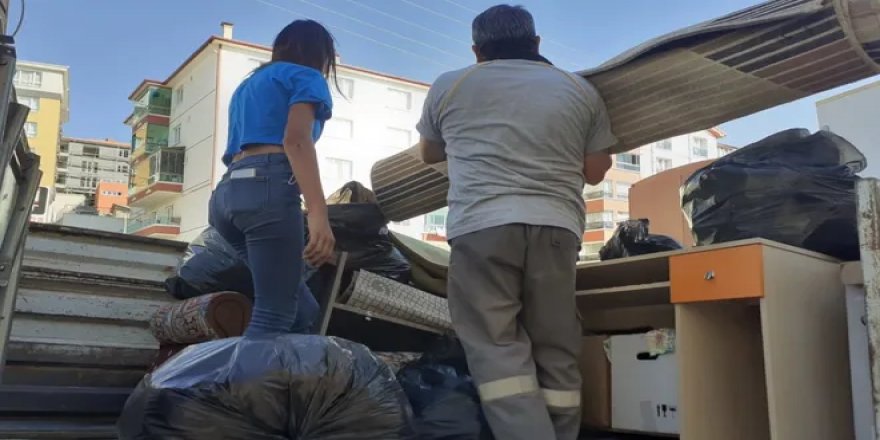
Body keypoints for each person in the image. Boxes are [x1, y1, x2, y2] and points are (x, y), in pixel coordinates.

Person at [416, 5, 616, 440]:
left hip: (480, 227)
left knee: (497, 349)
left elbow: (429, 154)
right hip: (556, 226)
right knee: (556, 344)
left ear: (476, 51)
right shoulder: (577, 89)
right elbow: (597, 170)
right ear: (537, 44)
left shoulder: (452, 86)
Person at [209, 20, 337, 337]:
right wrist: (320, 214)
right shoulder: (307, 77)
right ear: (322, 55)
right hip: (267, 189)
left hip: (226, 196)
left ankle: (288, 382)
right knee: (273, 314)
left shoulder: (250, 84)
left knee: (302, 310)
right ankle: (241, 385)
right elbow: (296, 141)